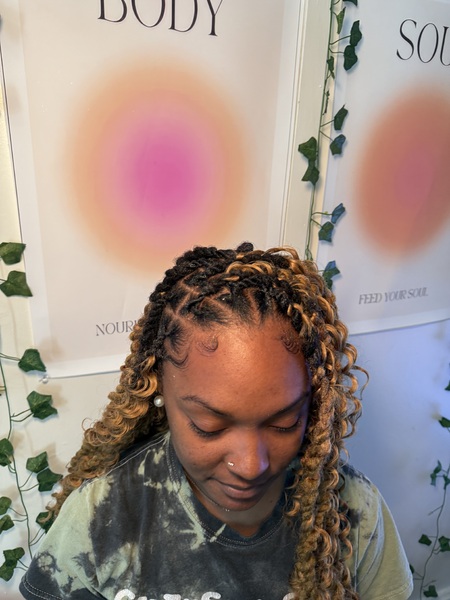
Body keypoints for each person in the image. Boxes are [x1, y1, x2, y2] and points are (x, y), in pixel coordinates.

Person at [20, 243, 413, 600]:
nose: (251, 465)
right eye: (208, 426)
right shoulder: (100, 516)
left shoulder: (354, 511)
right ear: (158, 390)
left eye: (285, 423)